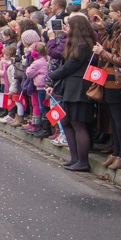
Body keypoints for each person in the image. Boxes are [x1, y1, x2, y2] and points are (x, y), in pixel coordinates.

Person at [46, 14, 97, 171]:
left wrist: (52, 77)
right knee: (66, 122)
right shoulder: (75, 44)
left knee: (78, 124)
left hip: (79, 87)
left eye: (69, 25)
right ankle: (74, 157)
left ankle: (83, 161)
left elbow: (70, 66)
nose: (66, 27)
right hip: (71, 86)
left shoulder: (83, 46)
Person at [94, 0, 121, 169]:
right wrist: (103, 28)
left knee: (118, 118)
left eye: (111, 11)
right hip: (110, 78)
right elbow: (107, 45)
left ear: (119, 13)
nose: (109, 14)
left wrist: (102, 53)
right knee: (114, 117)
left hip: (117, 80)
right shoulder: (117, 30)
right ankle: (117, 152)